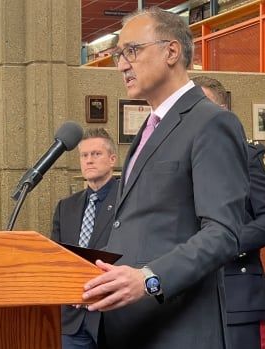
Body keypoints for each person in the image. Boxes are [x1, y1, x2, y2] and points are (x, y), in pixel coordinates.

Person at [82, 8, 249, 349]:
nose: (122, 65)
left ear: (172, 52)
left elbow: (223, 233)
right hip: (130, 325)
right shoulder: (148, 128)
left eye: (132, 50)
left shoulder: (210, 123)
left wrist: (149, 280)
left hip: (178, 328)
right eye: (118, 55)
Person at [194, 75, 265, 349]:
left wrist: (223, 243)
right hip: (192, 295)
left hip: (237, 293)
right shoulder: (187, 158)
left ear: (222, 110)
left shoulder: (250, 155)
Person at [51, 128, 120, 349]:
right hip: (72, 320)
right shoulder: (66, 207)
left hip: (111, 317)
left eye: (96, 154)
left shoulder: (127, 201)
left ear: (112, 160)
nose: (89, 160)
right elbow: (56, 257)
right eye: (84, 155)